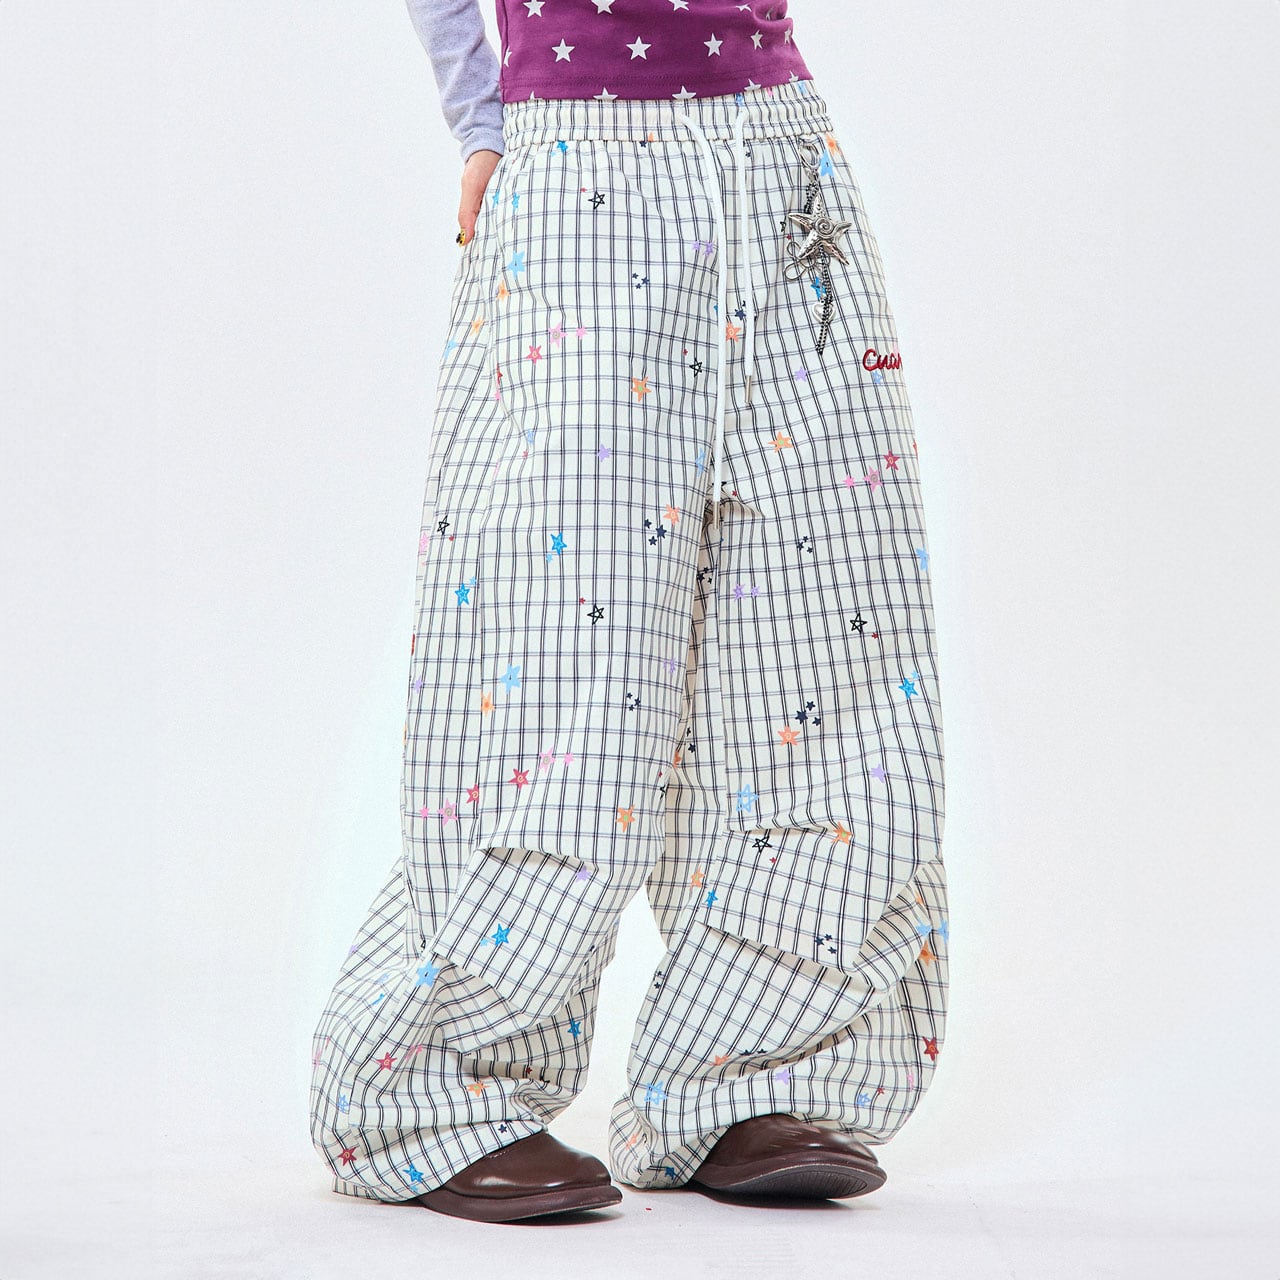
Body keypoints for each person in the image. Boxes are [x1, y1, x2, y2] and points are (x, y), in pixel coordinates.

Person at [308, 0, 949, 1224]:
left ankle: (753, 1069)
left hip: (781, 161)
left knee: (824, 629)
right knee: (565, 646)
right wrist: (481, 120)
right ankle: (435, 1083)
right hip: (578, 163)